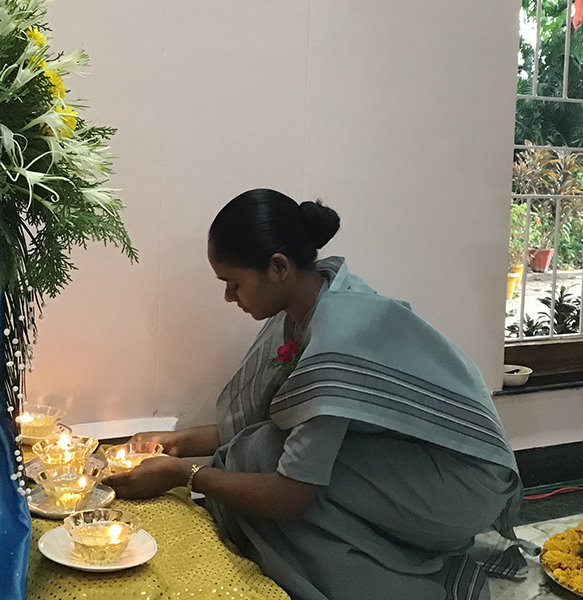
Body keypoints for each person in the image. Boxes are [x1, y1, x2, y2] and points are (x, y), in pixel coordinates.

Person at [105, 189, 525, 600]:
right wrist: (176, 443)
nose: (228, 296)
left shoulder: (338, 335)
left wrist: (184, 475)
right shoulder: (311, 300)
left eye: (233, 283)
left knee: (267, 463)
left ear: (278, 267)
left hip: (465, 485)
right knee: (261, 448)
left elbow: (290, 496)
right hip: (419, 463)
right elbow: (261, 419)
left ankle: (403, 585)